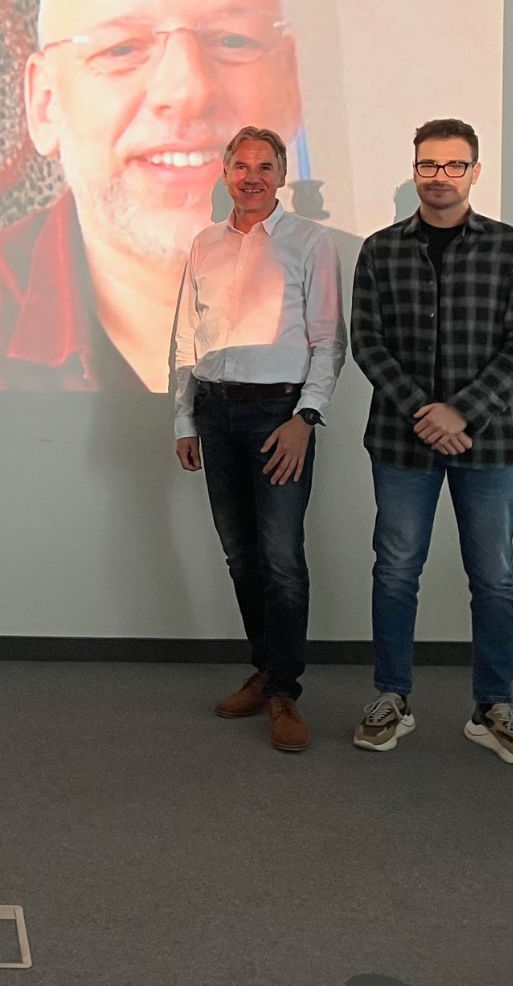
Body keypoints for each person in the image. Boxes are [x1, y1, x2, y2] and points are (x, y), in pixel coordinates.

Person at [0, 0, 306, 392]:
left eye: (234, 40)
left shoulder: (385, 296)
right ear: (45, 103)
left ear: (290, 85)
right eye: (121, 48)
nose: (187, 90)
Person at [349, 118, 513, 766]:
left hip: (490, 444)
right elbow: (367, 342)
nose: (440, 176)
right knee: (395, 572)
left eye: (454, 165)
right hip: (401, 443)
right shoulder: (380, 250)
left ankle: (493, 707)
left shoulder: (510, 247)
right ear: (415, 171)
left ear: (475, 171)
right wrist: (424, 412)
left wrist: (462, 412)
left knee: (495, 579)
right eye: (428, 165)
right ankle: (392, 697)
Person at [173, 126, 343, 753]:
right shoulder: (204, 244)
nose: (252, 177)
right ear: (225, 174)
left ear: (281, 176)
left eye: (264, 166)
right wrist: (184, 418)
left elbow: (329, 339)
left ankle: (284, 691)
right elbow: (185, 336)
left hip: (279, 416)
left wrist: (306, 417)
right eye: (241, 166)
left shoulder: (310, 241)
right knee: (240, 556)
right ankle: (266, 671)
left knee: (281, 557)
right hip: (215, 412)